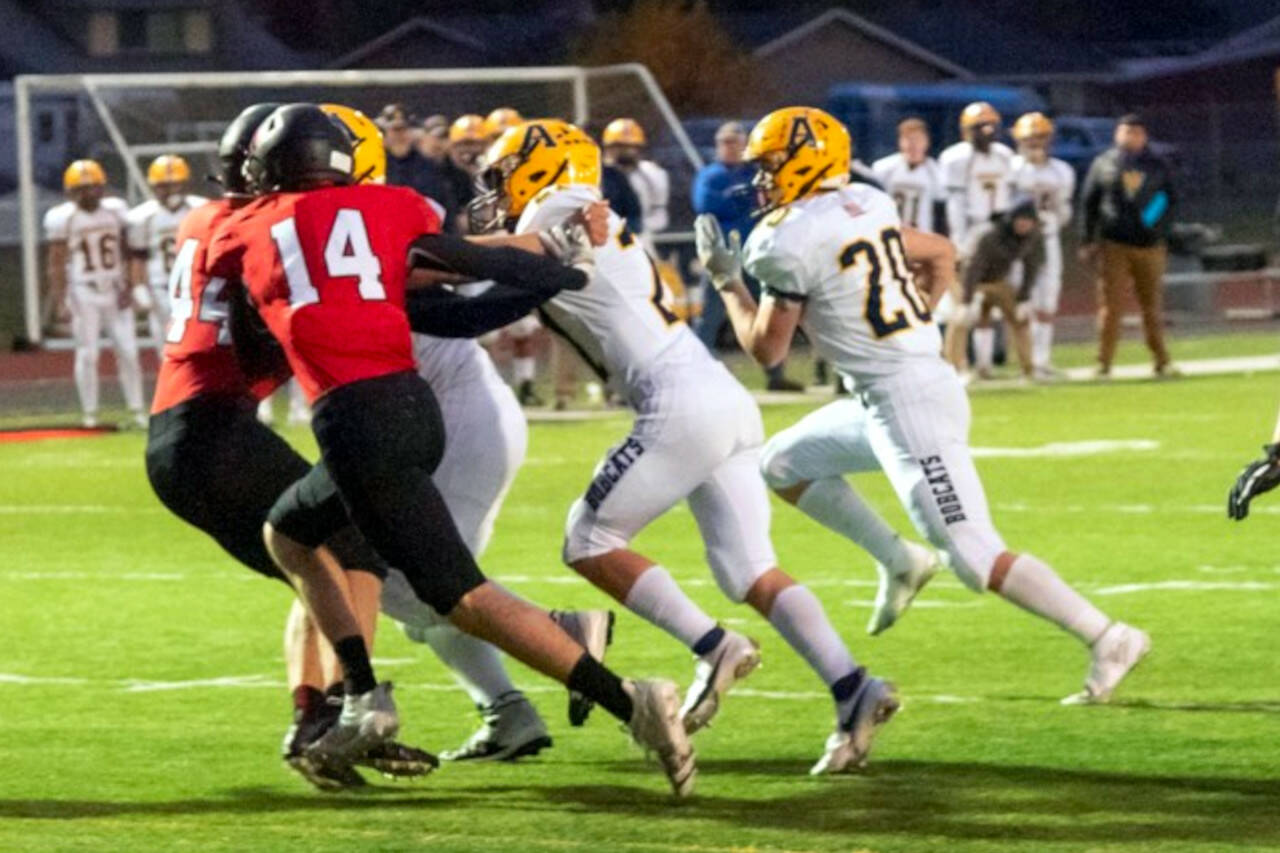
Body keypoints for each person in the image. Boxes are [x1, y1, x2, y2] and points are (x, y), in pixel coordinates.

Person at [209, 103, 697, 796]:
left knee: (457, 597)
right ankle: (363, 694)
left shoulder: (253, 226)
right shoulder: (391, 208)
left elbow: (247, 336)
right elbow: (468, 260)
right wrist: (561, 268)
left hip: (357, 420)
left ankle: (629, 699)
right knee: (290, 531)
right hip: (414, 409)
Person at [474, 117, 901, 774]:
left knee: (588, 540)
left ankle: (713, 644)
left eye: (505, 176)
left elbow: (488, 265)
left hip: (675, 401)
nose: (498, 191)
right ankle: (853, 686)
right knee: (747, 570)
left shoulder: (560, 205)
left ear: (543, 166)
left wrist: (418, 251)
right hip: (717, 393)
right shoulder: (573, 214)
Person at [700, 105, 1150, 707]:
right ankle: (899, 560)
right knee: (782, 463)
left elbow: (767, 349)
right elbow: (940, 251)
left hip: (908, 403)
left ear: (808, 160)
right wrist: (918, 316)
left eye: (773, 163)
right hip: (892, 393)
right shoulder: (865, 201)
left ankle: (1109, 636)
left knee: (973, 555)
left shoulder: (783, 240)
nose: (762, 177)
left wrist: (727, 283)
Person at [144, 103, 435, 790]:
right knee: (347, 547)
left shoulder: (207, 221)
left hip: (188, 435)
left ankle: (321, 720)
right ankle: (342, 714)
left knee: (313, 563)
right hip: (212, 431)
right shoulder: (256, 228)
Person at [692, 121, 802, 392]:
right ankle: (694, 374)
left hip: (756, 253)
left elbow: (770, 199)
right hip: (722, 256)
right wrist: (743, 198)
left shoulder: (754, 172)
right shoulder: (710, 175)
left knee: (768, 310)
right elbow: (707, 204)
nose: (730, 148)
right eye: (725, 142)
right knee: (710, 317)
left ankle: (776, 373)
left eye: (735, 142)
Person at [44, 160, 145, 428]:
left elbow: (128, 250)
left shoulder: (116, 211)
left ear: (102, 188)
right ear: (69, 192)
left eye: (92, 187)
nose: (87, 193)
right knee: (88, 354)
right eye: (80, 189)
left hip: (114, 288)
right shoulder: (63, 217)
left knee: (129, 351)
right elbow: (56, 262)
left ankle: (137, 410)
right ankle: (90, 414)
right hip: (83, 291)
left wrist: (130, 285)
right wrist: (60, 300)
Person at [1080, 113, 1178, 379]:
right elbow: (1089, 203)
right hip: (1115, 243)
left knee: (1152, 305)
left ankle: (1161, 360)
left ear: (1144, 136)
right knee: (1111, 306)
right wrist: (1087, 239)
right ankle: (1104, 363)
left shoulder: (1158, 164)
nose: (1130, 137)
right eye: (1125, 131)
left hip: (1150, 245)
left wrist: (1154, 224)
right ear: (1117, 134)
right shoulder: (1104, 163)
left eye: (1135, 132)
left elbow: (1169, 198)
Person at [939, 102, 1015, 373]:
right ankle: (956, 362)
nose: (987, 131)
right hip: (971, 234)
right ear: (966, 131)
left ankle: (985, 362)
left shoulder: (1004, 155)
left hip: (999, 235)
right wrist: (960, 242)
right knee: (963, 304)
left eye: (991, 125)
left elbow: (1009, 198)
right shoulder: (955, 158)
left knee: (992, 304)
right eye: (980, 126)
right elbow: (954, 204)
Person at [1010, 112, 1076, 381]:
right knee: (1022, 301)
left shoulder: (1061, 170)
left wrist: (1051, 225)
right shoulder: (1011, 168)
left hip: (1048, 238)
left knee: (1048, 300)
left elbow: (1063, 209)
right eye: (1030, 138)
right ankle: (1026, 362)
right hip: (1019, 243)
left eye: (1040, 137)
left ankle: (1042, 359)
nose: (1035, 143)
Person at [951, 199, 1044, 380]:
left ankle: (1028, 369)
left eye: (1028, 221)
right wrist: (966, 301)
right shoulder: (990, 235)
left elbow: (1031, 267)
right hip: (964, 277)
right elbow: (974, 268)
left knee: (1020, 318)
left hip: (997, 280)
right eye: (1021, 220)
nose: (1024, 225)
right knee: (962, 320)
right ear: (1012, 219)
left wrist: (1024, 298)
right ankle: (953, 368)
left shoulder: (1031, 237)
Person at [126, 155, 207, 356]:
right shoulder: (143, 217)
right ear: (154, 187)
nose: (170, 191)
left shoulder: (201, 209)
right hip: (161, 286)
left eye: (175, 184)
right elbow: (138, 256)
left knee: (199, 341)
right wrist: (138, 286)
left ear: (186, 184)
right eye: (164, 186)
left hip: (196, 284)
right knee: (167, 347)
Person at [378, 103, 458, 229]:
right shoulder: (376, 166)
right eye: (395, 130)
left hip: (422, 231)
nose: (400, 136)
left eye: (404, 129)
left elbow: (445, 207)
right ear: (384, 134)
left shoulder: (429, 167)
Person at [602, 118, 670, 251]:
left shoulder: (652, 173)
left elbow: (659, 213)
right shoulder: (599, 174)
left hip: (642, 235)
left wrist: (639, 227)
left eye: (631, 147)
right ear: (609, 147)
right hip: (604, 234)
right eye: (620, 147)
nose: (627, 152)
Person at [872, 117, 945, 234]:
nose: (913, 144)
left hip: (922, 236)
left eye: (917, 139)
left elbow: (942, 212)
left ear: (926, 141)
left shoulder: (936, 173)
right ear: (900, 141)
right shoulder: (884, 169)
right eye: (908, 139)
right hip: (890, 233)